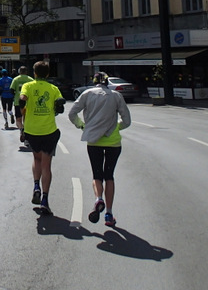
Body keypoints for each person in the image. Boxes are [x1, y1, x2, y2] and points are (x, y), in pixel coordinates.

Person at [68, 71, 131, 227]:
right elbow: (127, 121)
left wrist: (82, 125)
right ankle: (109, 213)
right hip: (113, 142)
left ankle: (98, 199)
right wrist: (117, 127)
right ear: (108, 82)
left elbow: (72, 113)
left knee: (97, 175)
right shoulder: (116, 96)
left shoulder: (87, 94)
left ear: (94, 81)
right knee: (109, 176)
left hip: (94, 141)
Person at [20, 61, 65, 216]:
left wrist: (22, 111)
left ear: (34, 73)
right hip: (49, 130)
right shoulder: (53, 88)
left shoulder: (28, 86)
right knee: (47, 165)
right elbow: (60, 105)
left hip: (32, 130)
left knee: (36, 158)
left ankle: (36, 186)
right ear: (47, 74)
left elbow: (22, 98)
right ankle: (45, 200)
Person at [11, 66, 33, 143]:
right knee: (26, 120)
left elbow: (11, 90)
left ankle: (21, 129)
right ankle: (27, 137)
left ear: (19, 71)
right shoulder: (30, 80)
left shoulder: (16, 79)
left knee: (18, 119)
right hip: (28, 103)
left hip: (18, 102)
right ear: (26, 71)